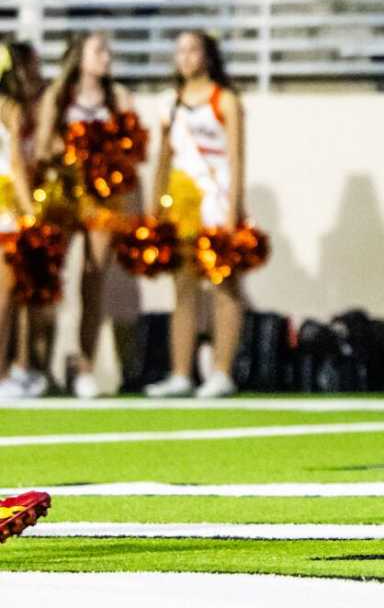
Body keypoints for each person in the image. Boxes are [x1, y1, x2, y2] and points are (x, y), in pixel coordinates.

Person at [143, 32, 247, 401]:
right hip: (181, 204)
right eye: (180, 50)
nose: (186, 57)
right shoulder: (169, 103)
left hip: (216, 201)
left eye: (193, 50)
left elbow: (235, 158)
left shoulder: (225, 100)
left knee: (224, 286)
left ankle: (221, 371)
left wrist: (233, 210)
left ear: (208, 55)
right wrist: (155, 207)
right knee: (183, 289)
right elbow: (163, 158)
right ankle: (180, 373)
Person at [35, 33, 139, 399]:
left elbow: (132, 147)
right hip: (64, 196)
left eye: (108, 51)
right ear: (80, 57)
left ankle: (84, 365)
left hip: (103, 199)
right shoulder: (58, 95)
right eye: (98, 51)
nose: (106, 57)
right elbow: (42, 146)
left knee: (93, 282)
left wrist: (107, 153)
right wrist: (75, 148)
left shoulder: (118, 97)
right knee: (50, 282)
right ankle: (41, 365)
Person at [0, 41, 47, 401]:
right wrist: (30, 211)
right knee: (4, 295)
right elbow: (15, 164)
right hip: (5, 208)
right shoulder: (10, 108)